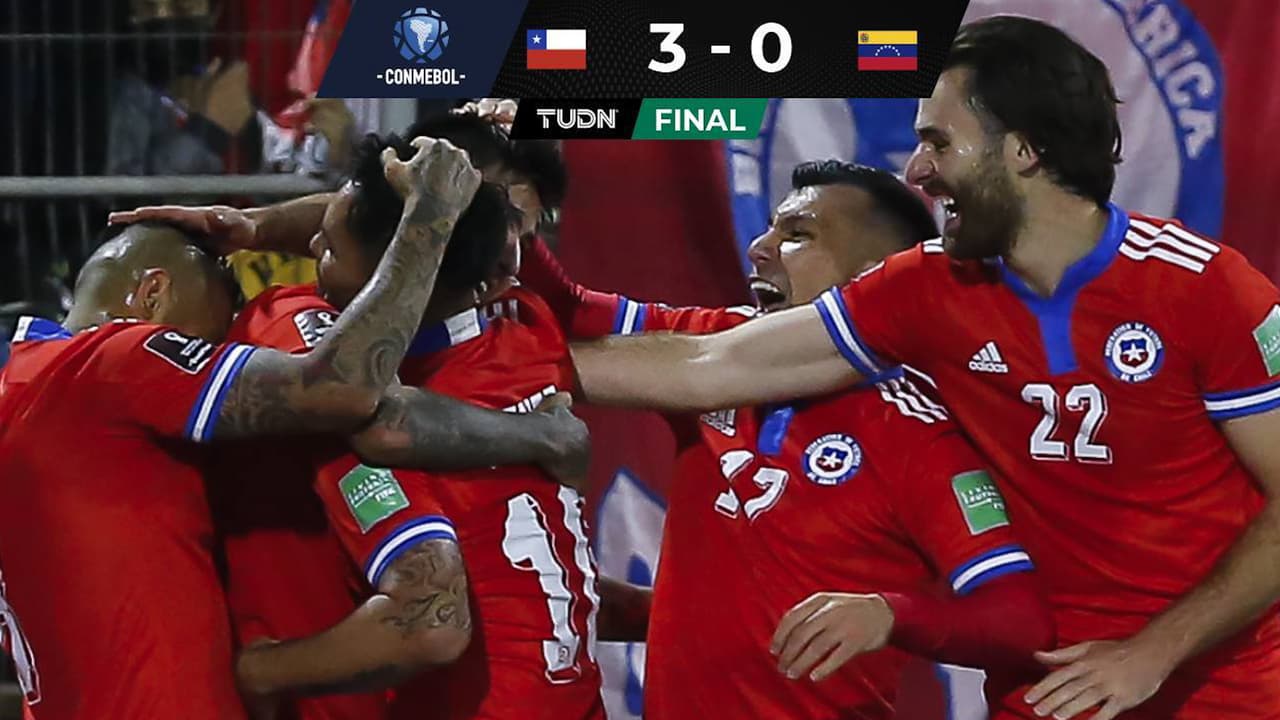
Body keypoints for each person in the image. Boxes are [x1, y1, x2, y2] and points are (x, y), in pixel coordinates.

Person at [566, 16, 1280, 720]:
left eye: (939, 142)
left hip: (1220, 694)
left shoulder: (1210, 288)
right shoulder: (928, 287)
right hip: (1043, 695)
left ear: (1023, 150)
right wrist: (518, 363)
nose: (916, 171)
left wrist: (1151, 652)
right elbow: (714, 364)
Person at [518, 159, 1052, 719]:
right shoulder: (722, 342)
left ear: (873, 279)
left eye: (798, 235)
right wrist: (508, 207)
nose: (759, 248)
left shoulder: (919, 433)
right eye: (772, 227)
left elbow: (1019, 620)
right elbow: (570, 311)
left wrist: (891, 615)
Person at [0, 137, 484, 720]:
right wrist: (430, 213)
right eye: (223, 310)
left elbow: (353, 217)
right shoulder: (109, 360)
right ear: (152, 294)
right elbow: (340, 388)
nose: (230, 333)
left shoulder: (24, 392)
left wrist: (256, 226)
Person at [207, 133, 588, 720]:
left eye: (329, 251)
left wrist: (255, 671)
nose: (311, 250)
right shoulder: (532, 327)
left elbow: (374, 418)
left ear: (401, 277)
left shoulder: (380, 400)